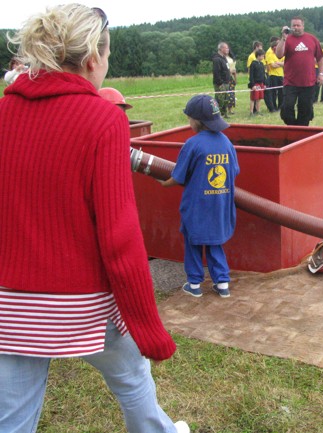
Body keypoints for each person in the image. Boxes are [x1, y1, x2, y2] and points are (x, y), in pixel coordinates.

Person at [0, 4, 189, 433]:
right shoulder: (103, 119)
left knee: (11, 418)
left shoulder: (2, 114)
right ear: (92, 58)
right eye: (107, 55)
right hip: (82, 300)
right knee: (132, 379)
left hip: (10, 304)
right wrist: (148, 327)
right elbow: (119, 236)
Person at [159, 95, 240, 299]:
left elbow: (178, 176)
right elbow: (235, 171)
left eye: (189, 119)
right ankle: (222, 283)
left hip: (196, 207)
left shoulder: (192, 144)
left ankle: (194, 284)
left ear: (196, 120)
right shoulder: (226, 142)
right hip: (220, 205)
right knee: (215, 243)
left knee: (193, 243)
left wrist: (163, 184)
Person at [275, 16, 323, 126]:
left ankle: (302, 131)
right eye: (294, 25)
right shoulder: (287, 40)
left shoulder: (312, 39)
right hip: (290, 82)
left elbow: (320, 58)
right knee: (287, 108)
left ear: (303, 26)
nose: (296, 28)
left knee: (305, 110)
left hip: (308, 82)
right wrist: (283, 38)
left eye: (298, 25)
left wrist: (321, 74)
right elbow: (278, 55)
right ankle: (293, 127)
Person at [264, 36, 284, 113]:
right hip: (273, 75)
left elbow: (285, 63)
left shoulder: (281, 51)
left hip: (280, 74)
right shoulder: (269, 52)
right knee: (273, 92)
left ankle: (280, 107)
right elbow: (272, 65)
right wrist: (280, 64)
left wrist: (278, 63)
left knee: (281, 92)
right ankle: (273, 107)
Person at [212, 41, 232, 117]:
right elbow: (216, 72)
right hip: (220, 83)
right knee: (219, 99)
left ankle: (225, 113)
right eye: (226, 48)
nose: (228, 49)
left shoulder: (224, 58)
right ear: (221, 48)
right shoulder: (217, 59)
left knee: (226, 99)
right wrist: (220, 83)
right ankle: (216, 115)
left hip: (226, 82)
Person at [248, 49, 266, 116]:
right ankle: (251, 112)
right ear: (258, 56)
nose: (263, 57)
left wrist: (264, 83)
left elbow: (263, 74)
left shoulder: (261, 64)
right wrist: (253, 85)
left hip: (261, 83)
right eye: (262, 56)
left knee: (259, 99)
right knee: (253, 98)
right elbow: (251, 75)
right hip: (255, 84)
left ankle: (258, 111)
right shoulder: (253, 64)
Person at [226, 47, 237, 114]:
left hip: (231, 77)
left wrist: (235, 78)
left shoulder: (231, 59)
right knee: (226, 94)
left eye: (228, 49)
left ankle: (230, 109)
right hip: (226, 78)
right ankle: (224, 110)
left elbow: (234, 70)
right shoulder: (222, 59)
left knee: (232, 94)